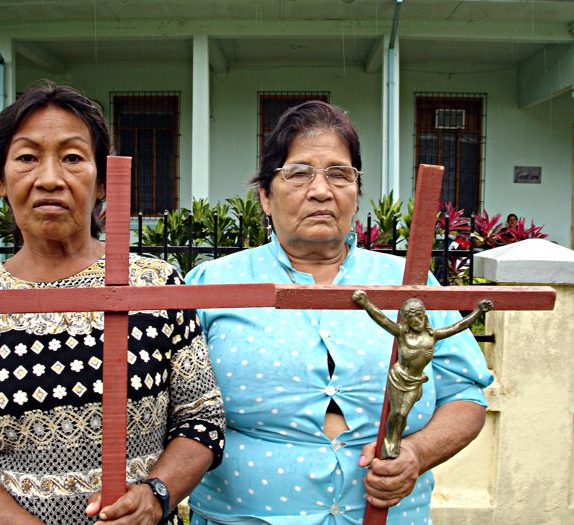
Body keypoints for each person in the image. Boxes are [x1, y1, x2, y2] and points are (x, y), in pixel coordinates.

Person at [0, 81, 225, 525]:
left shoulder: (155, 287)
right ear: (0, 182)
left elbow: (203, 419)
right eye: (26, 158)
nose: (50, 178)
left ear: (102, 182)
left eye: (73, 158)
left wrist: (156, 496)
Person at [185, 100, 493, 524]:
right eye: (298, 173)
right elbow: (173, 406)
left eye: (339, 174)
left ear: (356, 191)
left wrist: (416, 454)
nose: (321, 190)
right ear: (265, 197)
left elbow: (465, 394)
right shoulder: (215, 285)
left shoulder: (409, 285)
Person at [352, 291, 493, 459]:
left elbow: (458, 326)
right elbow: (381, 319)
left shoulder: (432, 335)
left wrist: (479, 311)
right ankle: (391, 442)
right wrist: (365, 302)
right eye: (412, 317)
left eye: (419, 315)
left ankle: (394, 438)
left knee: (403, 414)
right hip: (399, 377)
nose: (417, 320)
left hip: (416, 380)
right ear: (406, 319)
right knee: (396, 413)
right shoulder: (401, 333)